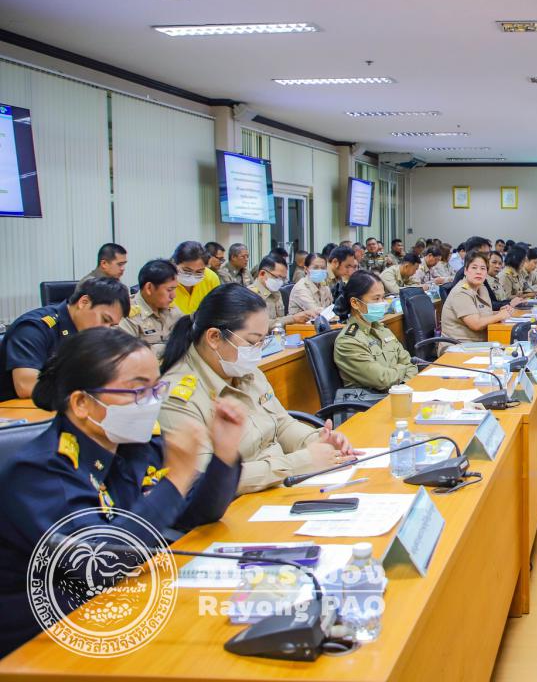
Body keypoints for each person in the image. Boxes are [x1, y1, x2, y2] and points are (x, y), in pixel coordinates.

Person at [0, 329, 245, 656]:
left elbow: (195, 514)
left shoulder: (135, 446)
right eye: (138, 390)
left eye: (156, 388)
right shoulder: (38, 472)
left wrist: (224, 456)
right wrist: (176, 479)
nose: (152, 401)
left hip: (118, 609)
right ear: (82, 403)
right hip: (44, 640)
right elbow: (99, 563)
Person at [158, 284, 358, 494]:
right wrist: (300, 462)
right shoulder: (177, 397)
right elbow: (204, 480)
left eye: (263, 341)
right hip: (238, 502)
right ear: (214, 337)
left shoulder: (244, 370)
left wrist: (317, 439)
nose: (258, 350)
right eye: (252, 341)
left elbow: (282, 424)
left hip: (277, 486)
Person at [1, 278, 131, 400]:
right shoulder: (35, 328)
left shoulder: (89, 332)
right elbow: (26, 385)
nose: (106, 329)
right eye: (105, 319)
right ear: (84, 302)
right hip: (15, 409)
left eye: (112, 325)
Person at [332, 271, 417, 392]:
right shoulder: (348, 342)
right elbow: (383, 380)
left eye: (383, 297)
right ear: (355, 303)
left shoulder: (382, 329)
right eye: (376, 299)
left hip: (401, 392)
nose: (382, 303)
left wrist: (403, 384)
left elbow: (410, 363)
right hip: (374, 400)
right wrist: (403, 369)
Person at [439, 252, 516, 352]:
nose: (479, 272)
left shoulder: (482, 288)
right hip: (457, 347)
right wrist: (500, 316)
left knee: (514, 348)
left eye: (483, 268)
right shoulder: (461, 292)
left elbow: (482, 313)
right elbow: (476, 324)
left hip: (476, 344)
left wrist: (499, 312)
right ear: (465, 271)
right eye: (474, 268)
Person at [120, 259, 183, 359]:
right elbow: (127, 355)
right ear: (149, 288)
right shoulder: (128, 314)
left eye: (174, 289)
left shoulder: (172, 309)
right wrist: (168, 347)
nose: (173, 296)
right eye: (169, 290)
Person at [249, 256, 317, 330]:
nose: (281, 282)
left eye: (283, 278)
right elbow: (259, 326)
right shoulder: (250, 295)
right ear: (262, 274)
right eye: (278, 277)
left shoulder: (276, 292)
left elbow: (280, 320)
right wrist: (292, 319)